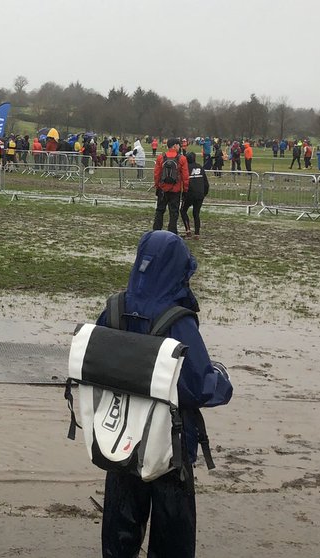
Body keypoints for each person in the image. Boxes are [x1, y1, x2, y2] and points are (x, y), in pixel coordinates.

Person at [98, 230, 232, 558]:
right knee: (173, 536)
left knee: (120, 528)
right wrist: (221, 379)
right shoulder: (177, 321)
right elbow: (197, 387)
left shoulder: (115, 309)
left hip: (120, 439)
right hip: (171, 445)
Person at [153, 138, 189, 235]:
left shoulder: (161, 157)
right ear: (174, 146)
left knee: (160, 210)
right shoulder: (182, 159)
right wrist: (185, 190)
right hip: (175, 190)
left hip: (162, 189)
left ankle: (156, 231)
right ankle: (172, 232)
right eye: (178, 145)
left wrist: (157, 186)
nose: (180, 147)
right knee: (174, 213)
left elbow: (157, 174)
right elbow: (185, 176)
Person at [179, 151, 209, 239]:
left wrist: (183, 193)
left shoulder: (185, 168)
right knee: (196, 213)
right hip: (200, 194)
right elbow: (206, 183)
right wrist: (204, 193)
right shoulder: (200, 167)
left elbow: (184, 181)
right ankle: (197, 233)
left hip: (189, 193)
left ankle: (188, 230)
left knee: (183, 210)